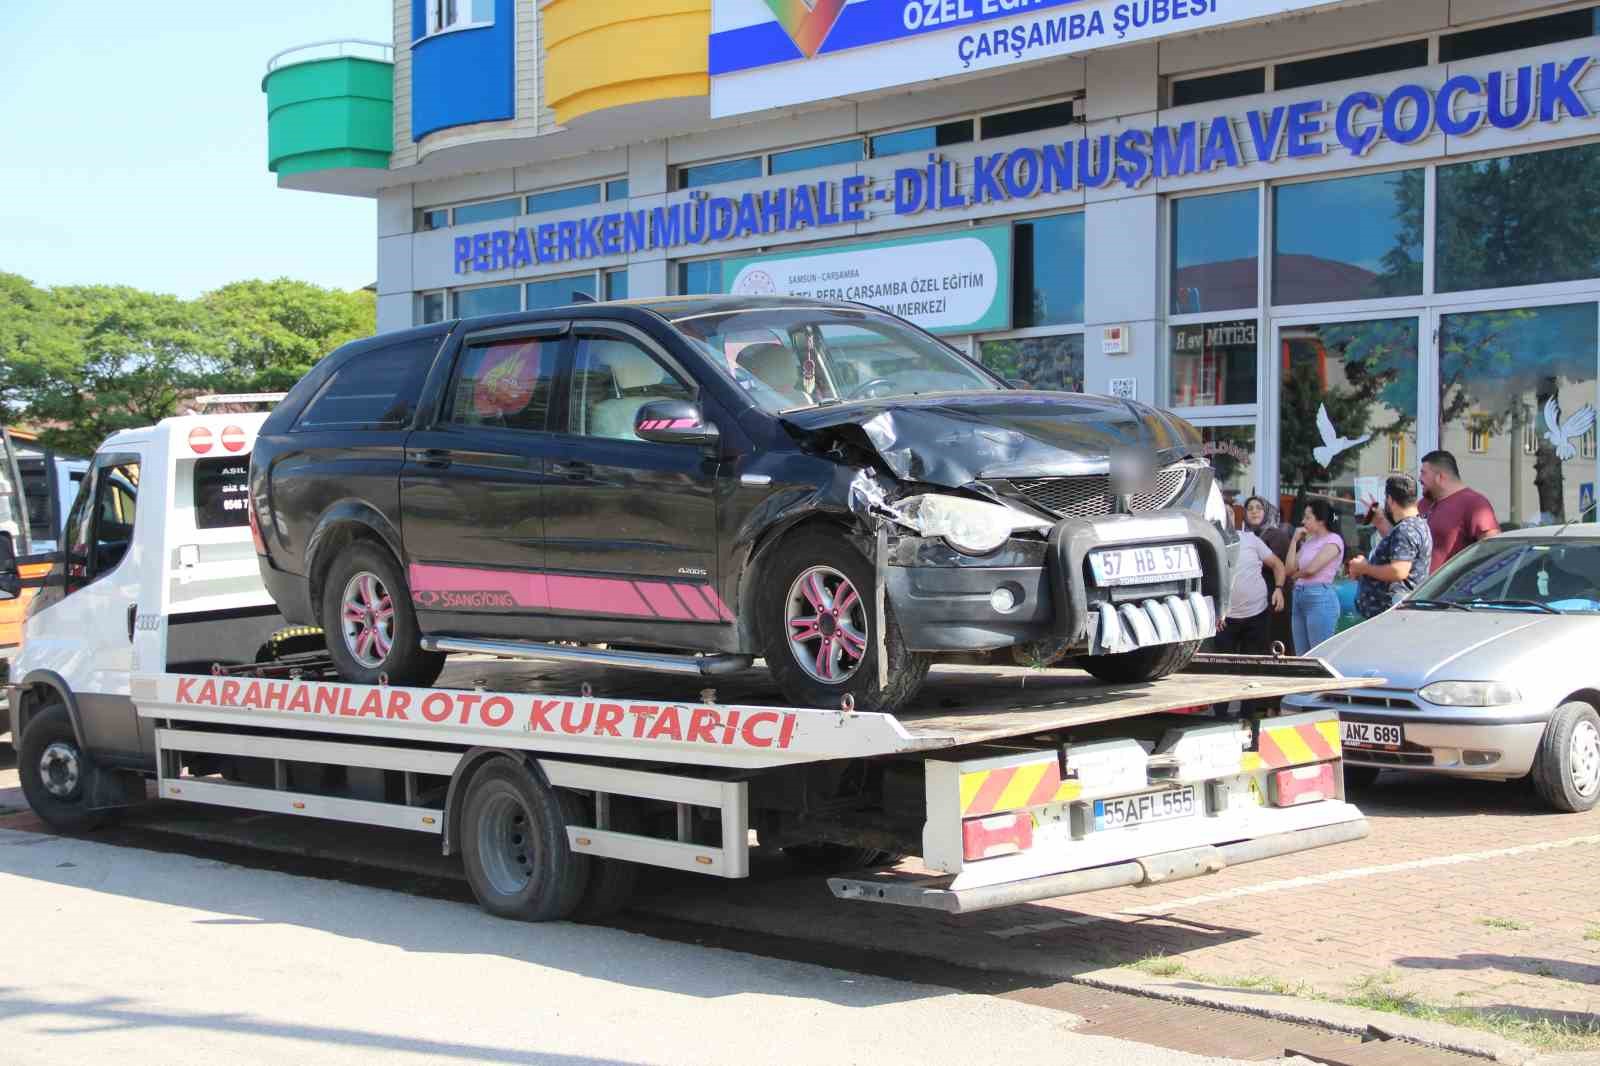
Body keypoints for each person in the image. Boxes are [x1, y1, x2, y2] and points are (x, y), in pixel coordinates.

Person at [1350, 474, 1433, 619]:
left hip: (1388, 613)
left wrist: (1364, 568)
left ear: (1390, 500)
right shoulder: (1417, 524)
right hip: (1394, 610)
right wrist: (1380, 521)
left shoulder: (1405, 529)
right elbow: (1400, 547)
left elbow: (1399, 571)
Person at [1417, 450, 1498, 573]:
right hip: (1420, 591)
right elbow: (1404, 544)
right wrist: (1379, 520)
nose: (1419, 479)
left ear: (1440, 477)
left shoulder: (1475, 503)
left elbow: (1493, 551)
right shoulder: (1424, 504)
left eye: (1423, 473)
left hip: (1452, 591)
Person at [1214, 526, 1286, 655]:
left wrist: (1279, 588)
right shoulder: (1210, 540)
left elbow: (1277, 565)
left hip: (1257, 614)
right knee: (1223, 669)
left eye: (1229, 513)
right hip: (1223, 619)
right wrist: (1214, 611)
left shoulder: (1251, 539)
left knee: (1254, 667)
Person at [1285, 500, 1344, 654]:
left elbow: (1312, 569)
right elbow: (1289, 568)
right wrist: (1294, 540)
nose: (1303, 521)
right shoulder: (1309, 542)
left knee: (1318, 652)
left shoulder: (1333, 540)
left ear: (1321, 520)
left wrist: (1295, 577)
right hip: (1299, 595)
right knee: (1302, 653)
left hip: (1319, 596)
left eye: (1308, 517)